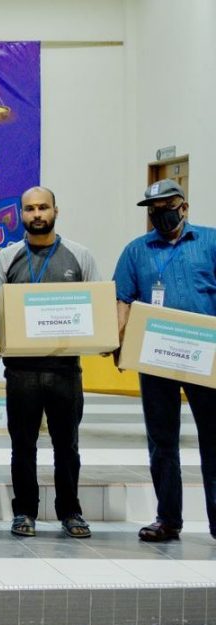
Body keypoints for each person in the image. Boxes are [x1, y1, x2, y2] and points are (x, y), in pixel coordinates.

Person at [114, 179, 216, 543]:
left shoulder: (210, 242)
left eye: (166, 206)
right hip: (155, 359)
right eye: (153, 209)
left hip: (206, 358)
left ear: (184, 207)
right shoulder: (135, 252)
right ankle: (168, 519)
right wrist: (121, 345)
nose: (160, 214)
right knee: (162, 441)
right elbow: (122, 300)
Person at [0, 187, 99, 539]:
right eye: (29, 209)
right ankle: (25, 511)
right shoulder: (7, 258)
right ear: (20, 214)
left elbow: (94, 308)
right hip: (21, 370)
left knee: (66, 445)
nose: (36, 214)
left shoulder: (79, 256)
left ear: (56, 210)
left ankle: (71, 511)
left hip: (65, 370)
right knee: (22, 445)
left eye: (43, 207)